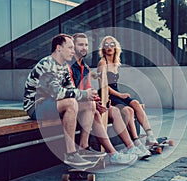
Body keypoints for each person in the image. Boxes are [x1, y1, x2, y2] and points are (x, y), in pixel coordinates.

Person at [69, 33, 149, 161]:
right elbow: (72, 92)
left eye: (86, 45)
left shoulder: (85, 67)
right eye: (80, 44)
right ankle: (110, 153)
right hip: (72, 105)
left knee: (115, 111)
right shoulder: (69, 66)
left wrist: (97, 101)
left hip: (88, 103)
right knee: (95, 109)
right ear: (72, 46)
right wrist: (95, 101)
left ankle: (130, 147)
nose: (84, 47)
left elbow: (88, 89)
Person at [23, 33, 97, 167]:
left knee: (90, 104)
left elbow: (71, 89)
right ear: (59, 48)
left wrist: (88, 96)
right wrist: (83, 93)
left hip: (52, 104)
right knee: (71, 103)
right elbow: (58, 93)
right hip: (36, 107)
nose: (73, 51)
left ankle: (83, 148)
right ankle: (70, 154)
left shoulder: (63, 66)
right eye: (70, 48)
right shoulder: (46, 65)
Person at [97, 35, 159, 147]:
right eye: (106, 45)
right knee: (129, 110)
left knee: (135, 103)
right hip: (107, 95)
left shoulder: (115, 63)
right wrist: (120, 95)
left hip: (116, 93)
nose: (109, 47)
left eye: (112, 44)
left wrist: (120, 95)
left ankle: (150, 135)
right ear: (103, 48)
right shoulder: (103, 62)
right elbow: (104, 86)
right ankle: (136, 141)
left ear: (116, 47)